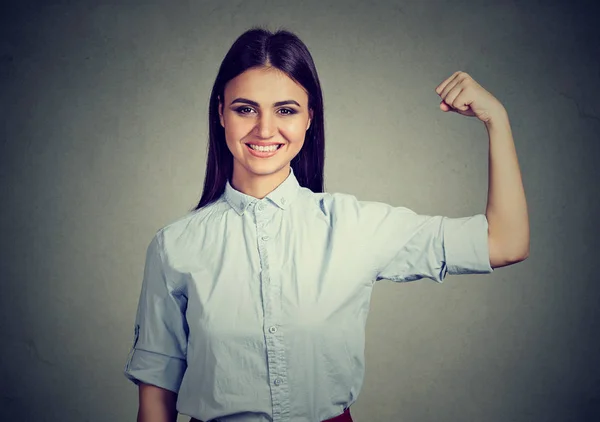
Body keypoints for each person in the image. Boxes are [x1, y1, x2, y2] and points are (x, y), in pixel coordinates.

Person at [123, 26, 529, 422]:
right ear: (221, 114)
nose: (265, 129)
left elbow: (504, 242)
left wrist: (497, 119)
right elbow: (157, 398)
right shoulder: (174, 246)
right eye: (245, 108)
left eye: (286, 110)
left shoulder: (354, 226)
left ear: (309, 118)